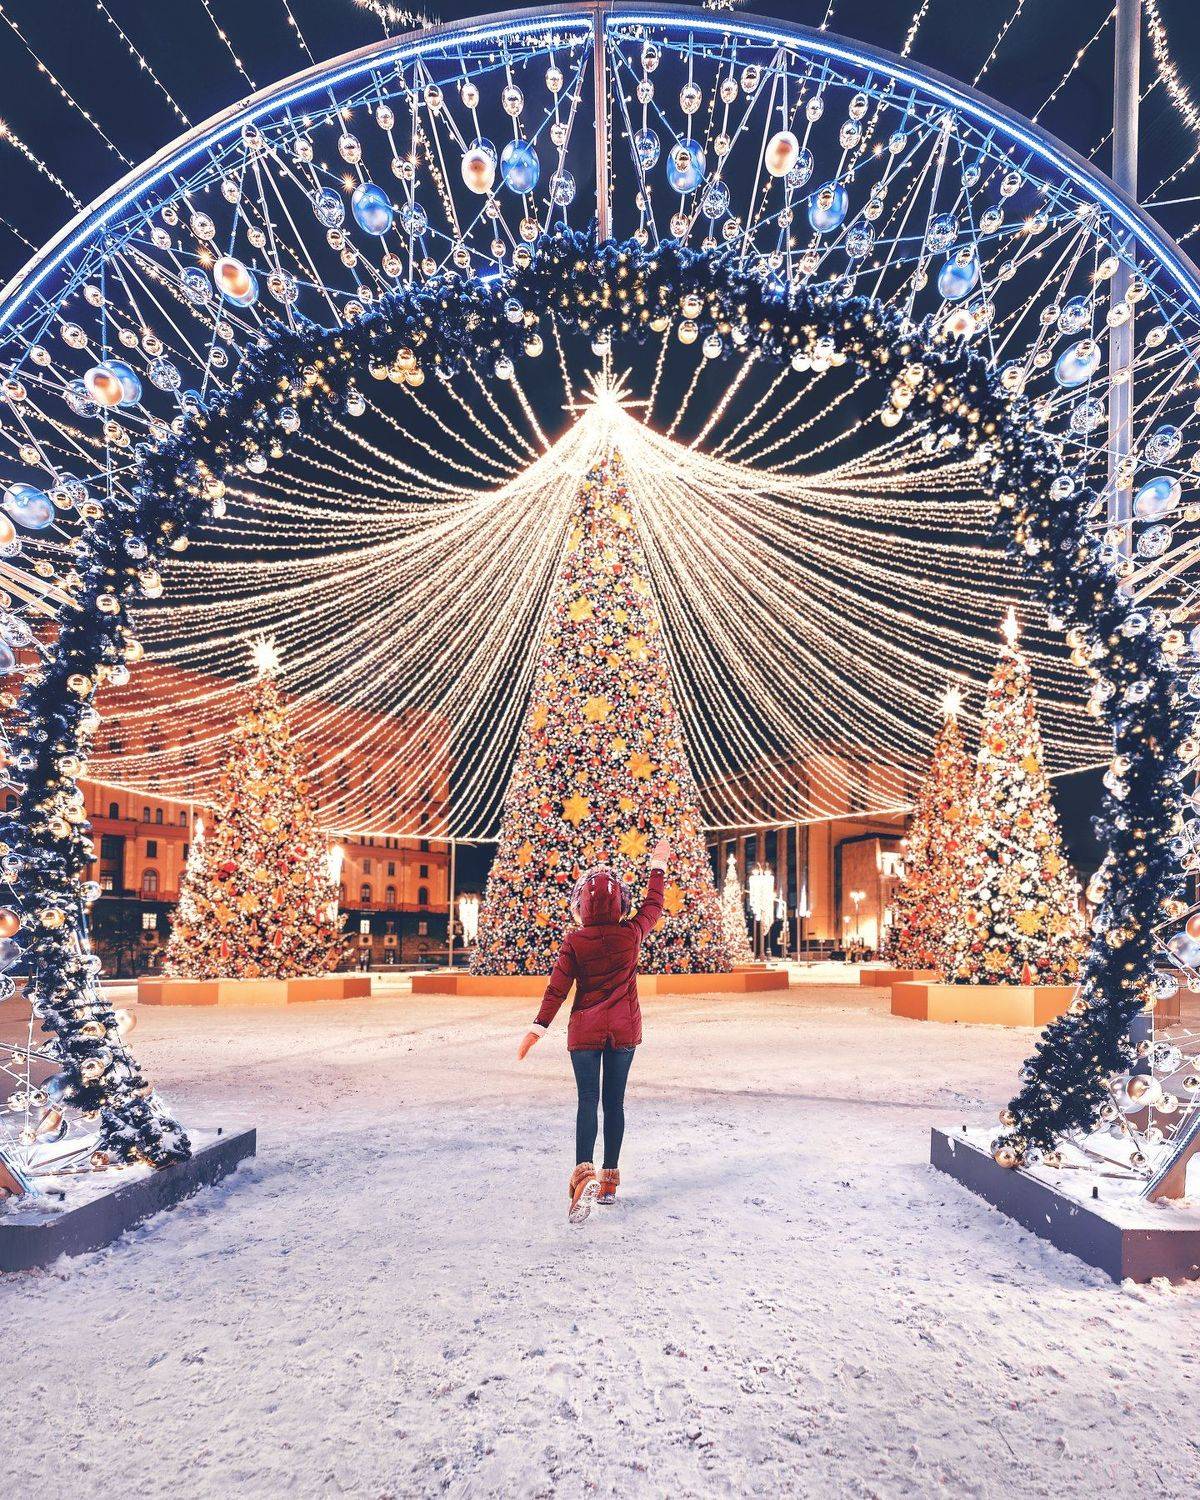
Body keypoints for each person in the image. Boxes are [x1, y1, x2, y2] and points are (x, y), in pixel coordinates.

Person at [517, 839, 670, 1224]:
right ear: (621, 905)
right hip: (623, 1029)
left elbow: (557, 988)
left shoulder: (574, 941)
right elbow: (654, 905)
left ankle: (583, 1172)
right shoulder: (631, 933)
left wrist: (537, 1028)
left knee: (588, 1100)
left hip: (584, 1030)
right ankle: (609, 1182)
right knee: (614, 1103)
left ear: (580, 906)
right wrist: (657, 865)